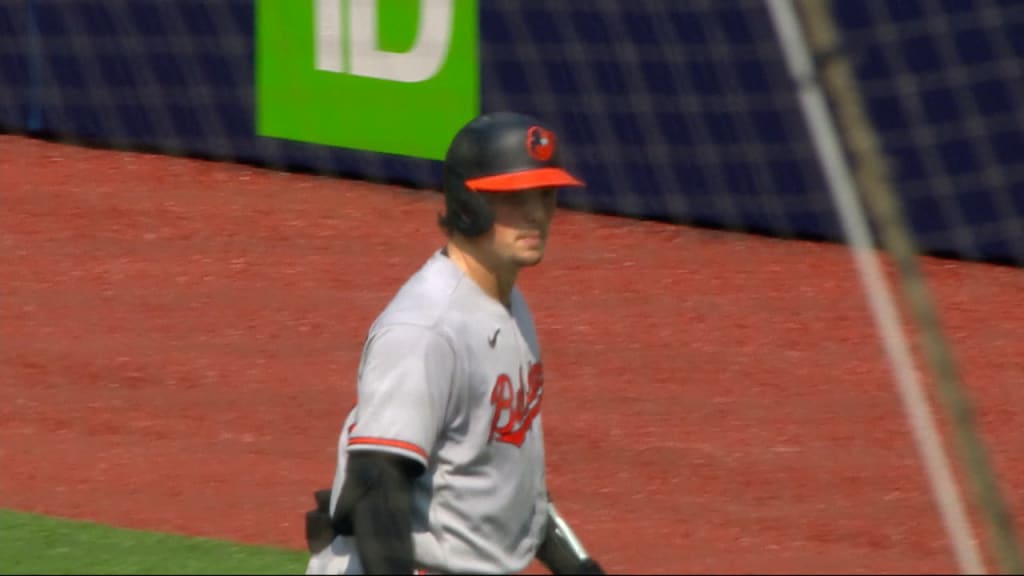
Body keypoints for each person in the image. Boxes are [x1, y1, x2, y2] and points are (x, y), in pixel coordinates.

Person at [304, 111, 605, 575]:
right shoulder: (425, 330)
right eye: (516, 197)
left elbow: (512, 483)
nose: (537, 214)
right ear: (469, 203)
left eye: (545, 195)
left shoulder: (507, 305)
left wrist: (577, 566)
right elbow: (377, 487)